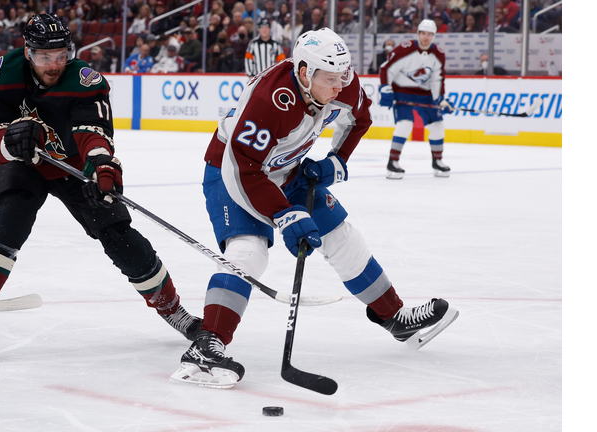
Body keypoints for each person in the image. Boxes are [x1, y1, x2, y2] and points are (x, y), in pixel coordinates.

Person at [170, 27, 458, 389]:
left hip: (287, 169)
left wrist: (335, 162)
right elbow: (243, 168)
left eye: (343, 76)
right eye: (330, 78)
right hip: (232, 171)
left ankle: (394, 317)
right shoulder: (268, 100)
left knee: (342, 236)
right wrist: (285, 214)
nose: (340, 86)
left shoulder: (340, 81)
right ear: (305, 72)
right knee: (248, 251)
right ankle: (206, 345)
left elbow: (361, 118)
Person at [0, 13, 202, 361]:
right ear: (27, 52)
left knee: (118, 233)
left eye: (61, 55)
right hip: (25, 163)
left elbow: (93, 133)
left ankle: (174, 311)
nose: (54, 64)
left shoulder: (85, 80)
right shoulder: (1, 76)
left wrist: (102, 166)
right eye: (45, 56)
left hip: (72, 167)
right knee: (12, 217)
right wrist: (13, 139)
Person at [379, 19, 453, 179]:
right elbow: (386, 68)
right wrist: (385, 88)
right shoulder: (405, 49)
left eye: (430, 34)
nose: (426, 37)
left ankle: (438, 162)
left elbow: (437, 78)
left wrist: (440, 99)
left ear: (434, 35)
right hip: (402, 92)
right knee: (405, 125)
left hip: (425, 95)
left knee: (438, 125)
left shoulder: (438, 53)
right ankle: (393, 163)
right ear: (418, 34)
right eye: (423, 33)